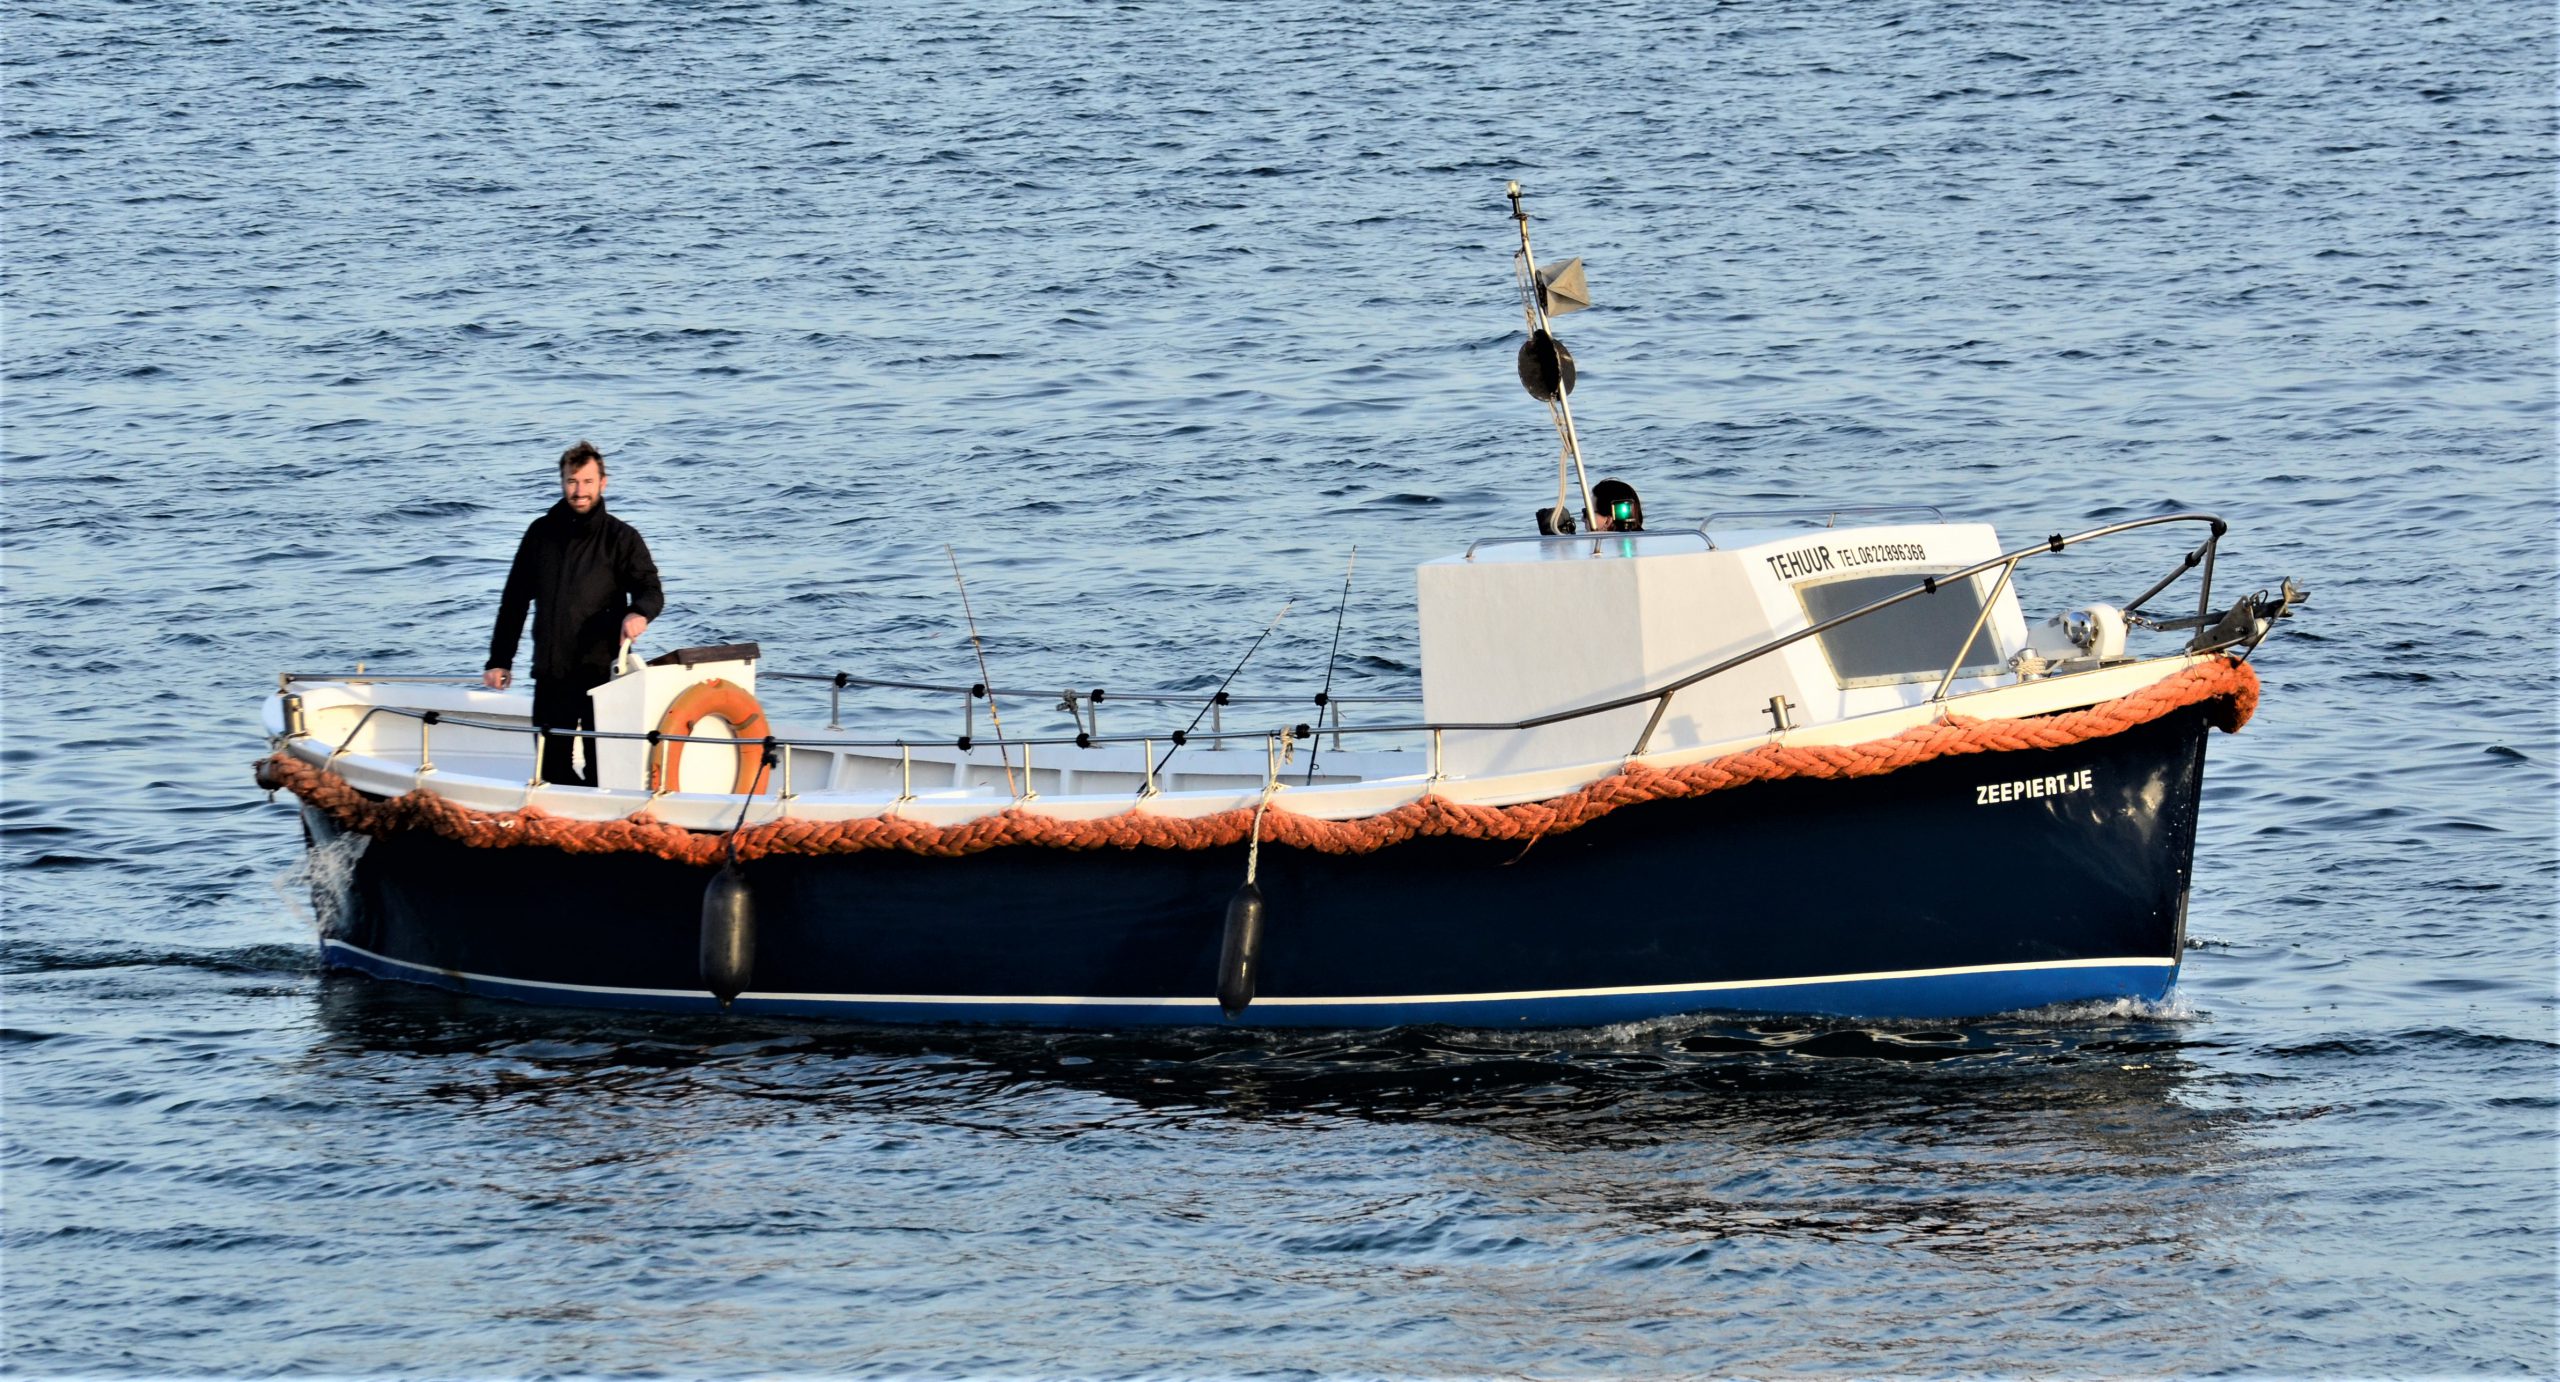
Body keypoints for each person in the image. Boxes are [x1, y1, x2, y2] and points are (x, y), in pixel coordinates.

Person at [484, 440, 664, 786]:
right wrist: (499, 660)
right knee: (551, 773)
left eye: (587, 482)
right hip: (553, 673)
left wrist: (638, 613)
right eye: (572, 481)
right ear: (562, 481)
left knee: (605, 773)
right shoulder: (540, 534)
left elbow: (650, 590)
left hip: (604, 677)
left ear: (603, 483)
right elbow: (514, 602)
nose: (579, 491)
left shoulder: (622, 538)